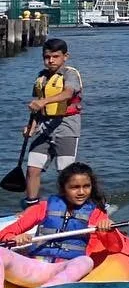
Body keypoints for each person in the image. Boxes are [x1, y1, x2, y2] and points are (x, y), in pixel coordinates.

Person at [0, 163, 129, 287]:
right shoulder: (44, 207)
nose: (81, 192)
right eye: (75, 187)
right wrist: (15, 238)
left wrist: (108, 231)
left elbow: (114, 247)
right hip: (34, 268)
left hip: (66, 269)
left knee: (85, 262)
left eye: (86, 186)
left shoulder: (96, 214)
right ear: (64, 188)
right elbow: (6, 233)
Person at [20, 38, 84, 208]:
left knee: (65, 172)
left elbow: (68, 93)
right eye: (47, 57)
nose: (51, 60)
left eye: (55, 56)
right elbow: (38, 105)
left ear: (65, 56)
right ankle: (31, 206)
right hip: (44, 127)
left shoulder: (70, 74)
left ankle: (70, 207)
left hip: (66, 127)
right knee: (32, 168)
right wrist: (31, 127)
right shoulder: (41, 76)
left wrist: (44, 102)